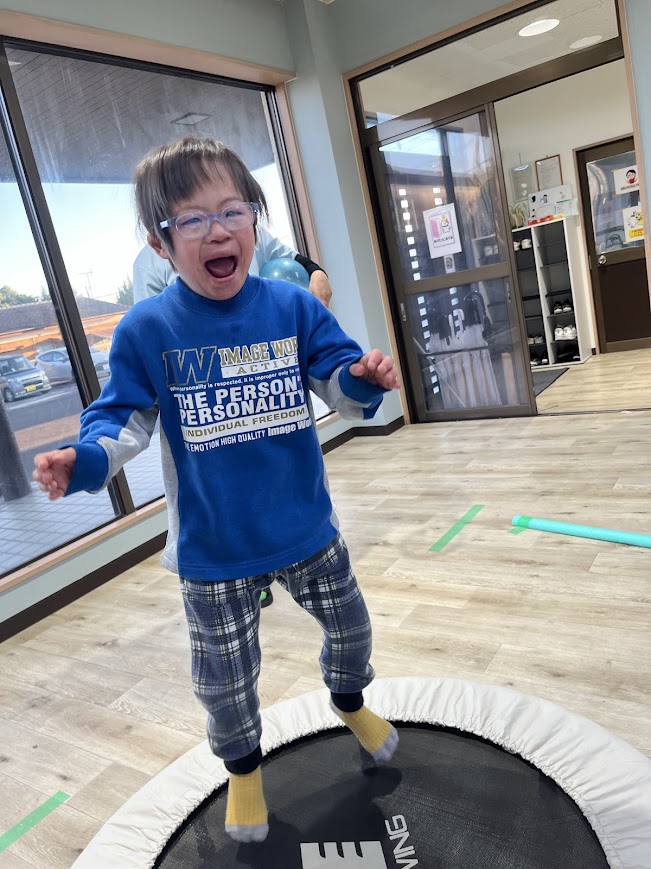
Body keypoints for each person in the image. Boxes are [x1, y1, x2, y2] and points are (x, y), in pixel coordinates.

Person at [33, 136, 400, 845]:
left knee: (352, 630)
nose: (218, 231)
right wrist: (83, 460)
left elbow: (339, 381)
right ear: (160, 243)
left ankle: (350, 702)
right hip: (212, 549)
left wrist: (363, 379)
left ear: (254, 221)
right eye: (192, 220)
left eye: (233, 211)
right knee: (225, 681)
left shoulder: (291, 307)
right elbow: (121, 420)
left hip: (305, 526)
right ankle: (243, 772)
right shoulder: (147, 328)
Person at [133, 223, 333, 308]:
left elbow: (292, 259)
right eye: (192, 220)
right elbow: (152, 332)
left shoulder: (248, 232)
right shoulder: (147, 263)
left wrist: (317, 273)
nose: (218, 234)